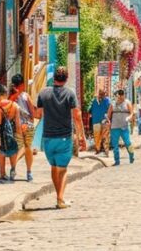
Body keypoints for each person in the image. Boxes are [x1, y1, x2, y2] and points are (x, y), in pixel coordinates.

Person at [35, 66, 86, 209]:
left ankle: (59, 197)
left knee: (54, 168)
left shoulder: (43, 93)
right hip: (64, 137)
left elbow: (38, 115)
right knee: (62, 170)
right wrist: (81, 136)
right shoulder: (70, 94)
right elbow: (76, 116)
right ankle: (60, 199)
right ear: (66, 78)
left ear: (54, 78)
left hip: (48, 138)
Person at [10, 73, 38, 181]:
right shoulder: (26, 96)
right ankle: (29, 172)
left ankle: (13, 170)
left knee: (15, 148)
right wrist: (29, 122)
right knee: (28, 148)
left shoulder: (11, 97)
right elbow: (33, 113)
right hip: (27, 125)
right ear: (21, 84)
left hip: (15, 126)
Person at [0, 84, 21, 181]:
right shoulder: (15, 106)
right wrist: (19, 136)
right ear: (6, 93)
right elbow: (18, 123)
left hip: (2, 133)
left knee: (1, 151)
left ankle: (2, 173)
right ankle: (13, 170)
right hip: (12, 132)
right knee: (13, 149)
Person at [108, 90, 135, 165]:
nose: (120, 97)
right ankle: (117, 161)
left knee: (128, 143)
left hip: (124, 127)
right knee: (115, 145)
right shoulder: (112, 104)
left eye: (121, 95)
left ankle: (131, 155)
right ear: (116, 96)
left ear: (124, 95)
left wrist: (129, 117)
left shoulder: (127, 103)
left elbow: (132, 112)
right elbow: (108, 115)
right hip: (114, 127)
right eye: (118, 96)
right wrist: (107, 121)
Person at [89, 90, 111, 155]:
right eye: (101, 94)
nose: (101, 95)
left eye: (102, 94)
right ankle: (99, 149)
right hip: (98, 120)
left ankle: (104, 150)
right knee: (99, 136)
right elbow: (89, 109)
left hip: (102, 120)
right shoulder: (95, 101)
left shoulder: (106, 100)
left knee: (104, 136)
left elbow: (89, 110)